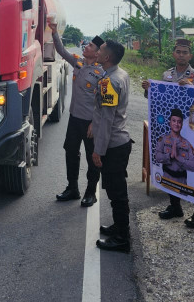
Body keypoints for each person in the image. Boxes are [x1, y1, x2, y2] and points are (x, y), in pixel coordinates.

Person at [142, 38, 194, 228]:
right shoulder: (167, 75)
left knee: (193, 172)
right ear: (173, 54)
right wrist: (149, 90)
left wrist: (191, 87)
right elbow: (158, 99)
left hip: (193, 130)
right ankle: (175, 206)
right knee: (171, 168)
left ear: (190, 55)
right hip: (173, 129)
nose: (181, 55)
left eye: (184, 52)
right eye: (178, 52)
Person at [49, 19, 105, 206]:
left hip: (90, 123)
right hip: (74, 119)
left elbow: (103, 102)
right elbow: (61, 51)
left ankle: (90, 192)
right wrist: (55, 32)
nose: (85, 46)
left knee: (92, 157)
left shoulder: (102, 73)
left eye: (89, 45)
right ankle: (72, 188)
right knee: (71, 151)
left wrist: (94, 123)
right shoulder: (78, 63)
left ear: (97, 53)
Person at [91, 40, 133, 253]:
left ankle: (122, 238)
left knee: (117, 193)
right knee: (117, 190)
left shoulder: (110, 82)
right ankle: (119, 227)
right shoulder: (120, 74)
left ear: (107, 57)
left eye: (100, 50)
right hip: (119, 142)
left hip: (113, 145)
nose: (97, 52)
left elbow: (107, 119)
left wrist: (98, 150)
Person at [153, 108, 194, 220]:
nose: (176, 124)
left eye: (179, 122)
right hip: (167, 176)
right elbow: (157, 157)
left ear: (182, 124)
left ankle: (177, 208)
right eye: (174, 121)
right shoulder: (163, 139)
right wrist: (169, 156)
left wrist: (178, 158)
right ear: (169, 122)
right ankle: (175, 208)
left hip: (180, 180)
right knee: (170, 193)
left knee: (178, 192)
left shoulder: (187, 144)